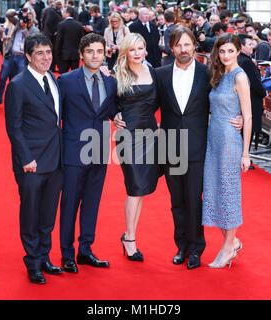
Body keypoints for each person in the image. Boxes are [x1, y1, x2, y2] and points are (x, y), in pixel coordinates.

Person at [115, 27, 242, 269]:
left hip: (197, 145)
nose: (183, 50)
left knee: (194, 199)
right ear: (171, 48)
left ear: (194, 45)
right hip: (170, 145)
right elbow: (142, 103)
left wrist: (244, 118)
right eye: (178, 45)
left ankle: (195, 249)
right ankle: (181, 246)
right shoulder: (159, 75)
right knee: (176, 201)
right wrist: (118, 114)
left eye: (187, 45)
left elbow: (234, 94)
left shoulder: (208, 73)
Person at [4, 33, 63, 285]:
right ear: (28, 56)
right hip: (32, 163)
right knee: (30, 213)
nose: (45, 58)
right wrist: (26, 158)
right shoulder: (18, 84)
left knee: (48, 214)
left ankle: (44, 257)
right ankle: (33, 263)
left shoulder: (53, 78)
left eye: (48, 52)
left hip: (56, 160)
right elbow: (14, 127)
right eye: (39, 53)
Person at [58, 33, 118, 273]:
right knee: (70, 204)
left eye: (99, 52)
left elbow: (111, 109)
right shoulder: (66, 80)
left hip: (100, 150)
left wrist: (119, 116)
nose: (95, 56)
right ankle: (66, 254)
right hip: (73, 151)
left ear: (105, 54)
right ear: (81, 54)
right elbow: (56, 116)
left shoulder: (110, 81)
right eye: (90, 51)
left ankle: (85, 250)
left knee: (92, 203)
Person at [202, 33, 252, 269]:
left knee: (229, 193)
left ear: (239, 51)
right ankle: (232, 242)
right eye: (222, 51)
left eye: (231, 51)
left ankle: (227, 248)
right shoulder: (218, 74)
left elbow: (248, 115)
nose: (226, 55)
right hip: (213, 140)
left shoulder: (240, 77)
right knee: (213, 192)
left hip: (230, 142)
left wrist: (246, 152)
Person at [114, 33, 160, 261]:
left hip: (150, 135)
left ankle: (130, 235)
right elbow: (107, 103)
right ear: (126, 51)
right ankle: (129, 238)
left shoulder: (152, 71)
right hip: (128, 137)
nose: (137, 53)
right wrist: (114, 114)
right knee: (135, 188)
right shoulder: (117, 74)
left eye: (140, 48)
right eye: (132, 49)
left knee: (142, 190)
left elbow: (161, 100)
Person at [0, 10, 39, 110]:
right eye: (25, 18)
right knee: (2, 78)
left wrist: (25, 29)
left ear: (32, 19)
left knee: (19, 81)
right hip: (10, 55)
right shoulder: (17, 24)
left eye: (29, 18)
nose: (26, 20)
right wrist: (19, 13)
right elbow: (8, 14)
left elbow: (32, 43)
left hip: (22, 58)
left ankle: (19, 101)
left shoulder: (34, 30)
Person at [237, 34, 266, 153]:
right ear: (241, 46)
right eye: (249, 44)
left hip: (244, 101)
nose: (252, 47)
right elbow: (254, 82)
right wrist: (264, 92)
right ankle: (244, 157)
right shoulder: (246, 62)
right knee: (246, 132)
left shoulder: (242, 59)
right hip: (250, 101)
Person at [54, 6, 85, 74]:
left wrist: (57, 55)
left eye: (64, 12)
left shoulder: (61, 25)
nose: (62, 13)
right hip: (75, 55)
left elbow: (59, 42)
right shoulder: (79, 25)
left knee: (62, 76)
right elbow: (82, 41)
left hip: (64, 55)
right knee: (75, 76)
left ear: (68, 14)